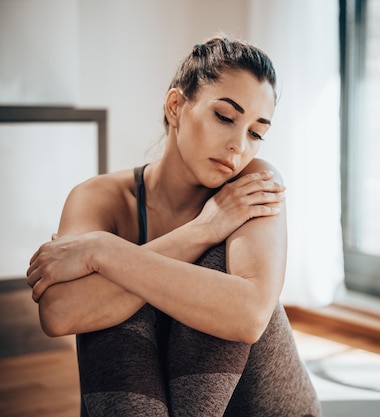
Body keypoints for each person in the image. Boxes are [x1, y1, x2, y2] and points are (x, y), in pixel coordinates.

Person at [26, 36, 321, 417]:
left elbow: (249, 316)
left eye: (256, 132)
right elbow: (60, 312)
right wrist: (202, 229)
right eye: (226, 117)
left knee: (205, 267)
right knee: (113, 302)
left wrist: (105, 251)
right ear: (176, 106)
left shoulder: (254, 186)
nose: (239, 147)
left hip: (262, 407)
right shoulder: (100, 198)